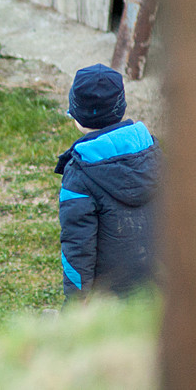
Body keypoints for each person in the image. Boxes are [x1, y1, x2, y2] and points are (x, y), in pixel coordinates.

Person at [54, 63, 161, 304]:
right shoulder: (153, 152)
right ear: (121, 108)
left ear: (76, 115)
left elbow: (77, 246)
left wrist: (76, 302)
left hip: (109, 298)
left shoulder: (79, 175)